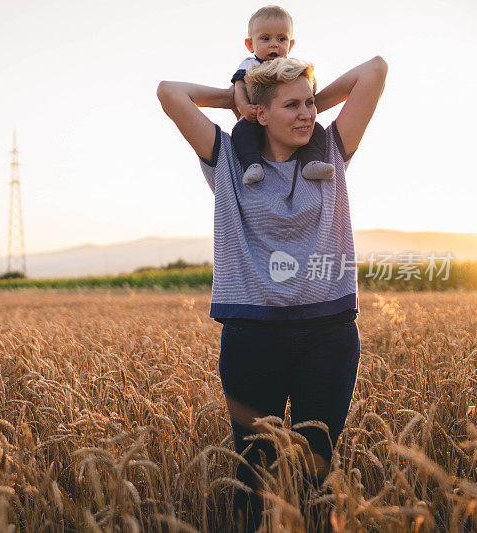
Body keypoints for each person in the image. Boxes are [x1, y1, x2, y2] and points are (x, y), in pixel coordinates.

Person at [157, 55, 387, 532]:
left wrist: (302, 99)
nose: (307, 114)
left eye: (310, 105)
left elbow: (376, 69)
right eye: (292, 107)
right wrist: (243, 100)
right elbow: (168, 91)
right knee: (255, 473)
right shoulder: (227, 160)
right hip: (252, 337)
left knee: (315, 473)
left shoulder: (332, 154)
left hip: (330, 336)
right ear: (261, 114)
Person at [231, 6, 335, 185]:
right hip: (255, 119)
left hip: (284, 125)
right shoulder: (250, 64)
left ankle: (311, 161)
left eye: (281, 39)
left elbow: (310, 87)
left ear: (291, 44)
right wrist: (244, 108)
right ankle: (252, 164)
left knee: (316, 129)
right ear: (250, 45)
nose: (274, 44)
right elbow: (238, 89)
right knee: (241, 132)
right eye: (265, 38)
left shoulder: (290, 66)